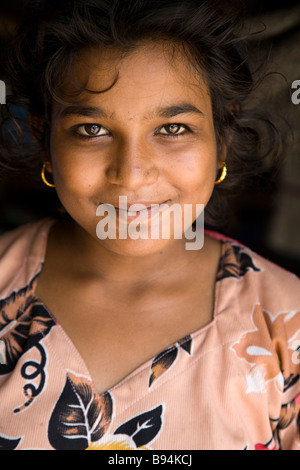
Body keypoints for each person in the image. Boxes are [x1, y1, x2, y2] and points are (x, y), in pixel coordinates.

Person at [0, 0, 299, 451]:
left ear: (223, 140)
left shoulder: (287, 327)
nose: (133, 172)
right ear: (45, 138)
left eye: (173, 129)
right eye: (91, 129)